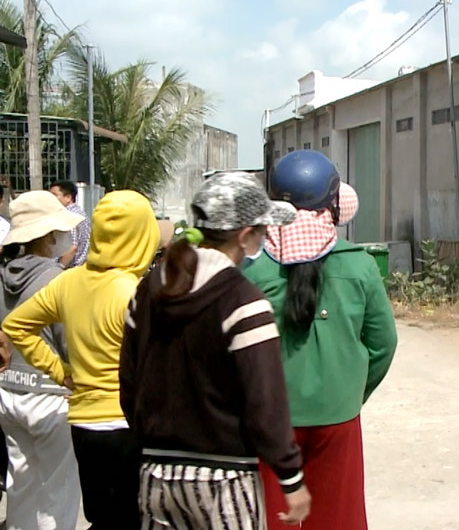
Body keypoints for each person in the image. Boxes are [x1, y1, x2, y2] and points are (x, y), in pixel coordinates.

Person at [121, 172, 311, 529]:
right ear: (244, 236)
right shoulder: (244, 302)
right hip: (225, 480)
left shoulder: (147, 291)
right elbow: (265, 402)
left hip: (156, 474)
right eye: (262, 233)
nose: (263, 241)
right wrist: (291, 478)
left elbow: (129, 383)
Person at [244, 150, 397, 530]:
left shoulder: (252, 270)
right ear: (333, 203)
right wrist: (350, 389)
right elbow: (383, 343)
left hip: (270, 421)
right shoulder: (358, 264)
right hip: (338, 416)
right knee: (337, 517)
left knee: (276, 518)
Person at [2, 190, 160, 528]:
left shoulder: (69, 282)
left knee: (93, 515)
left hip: (83, 423)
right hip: (125, 424)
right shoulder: (134, 291)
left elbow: (16, 325)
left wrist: (61, 372)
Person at [0, 191, 83, 529]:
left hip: (8, 393)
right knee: (58, 496)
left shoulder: (3, 277)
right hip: (51, 398)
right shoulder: (58, 281)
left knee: (20, 486)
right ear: (50, 236)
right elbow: (69, 342)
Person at [49, 180, 91, 268]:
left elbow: (71, 248)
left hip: (67, 270)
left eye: (54, 195)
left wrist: (58, 268)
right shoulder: (81, 214)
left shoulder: (67, 216)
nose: (50, 199)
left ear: (68, 197)